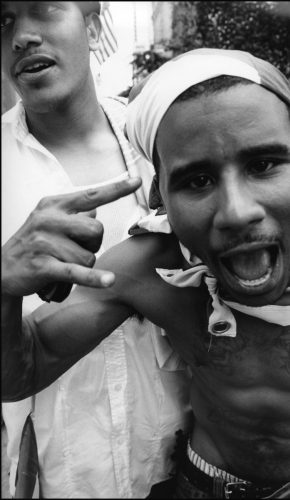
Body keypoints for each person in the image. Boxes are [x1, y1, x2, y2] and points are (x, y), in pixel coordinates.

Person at [2, 48, 290, 499]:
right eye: (197, 181)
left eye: (262, 164)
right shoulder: (149, 268)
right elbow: (19, 372)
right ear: (158, 194)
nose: (237, 212)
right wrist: (5, 288)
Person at [1, 2, 191, 498]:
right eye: (1, 22)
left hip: (176, 469)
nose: (22, 36)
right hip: (44, 477)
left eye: (42, 9)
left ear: (91, 22)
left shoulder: (169, 143)